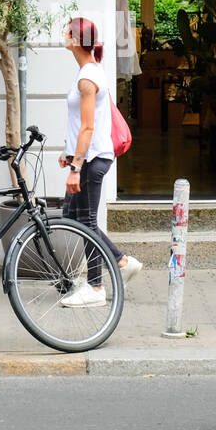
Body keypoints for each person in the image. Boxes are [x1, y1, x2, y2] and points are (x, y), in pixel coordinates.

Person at [58, 16, 142, 307]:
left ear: (75, 39)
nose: (63, 34)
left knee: (87, 223)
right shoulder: (91, 71)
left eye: (66, 31)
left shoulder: (87, 78)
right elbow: (82, 126)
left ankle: (95, 287)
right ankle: (120, 261)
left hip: (92, 161)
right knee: (74, 217)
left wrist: (76, 167)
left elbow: (88, 127)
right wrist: (69, 153)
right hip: (89, 157)